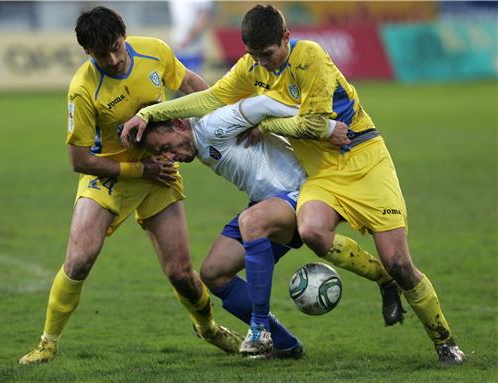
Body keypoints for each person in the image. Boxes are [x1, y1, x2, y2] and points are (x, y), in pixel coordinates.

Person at [121, 4, 465, 365]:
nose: (261, 63)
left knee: (398, 260)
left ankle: (443, 339)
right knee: (292, 240)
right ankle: (285, 337)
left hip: (361, 157)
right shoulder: (251, 67)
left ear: (286, 37)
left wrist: (272, 123)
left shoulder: (310, 57)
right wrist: (148, 113)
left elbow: (311, 123)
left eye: (267, 54)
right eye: (253, 55)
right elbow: (214, 97)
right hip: (319, 172)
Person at [18, 6, 242, 365]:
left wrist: (235, 117)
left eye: (116, 47)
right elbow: (79, 161)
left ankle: (209, 328)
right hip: (109, 174)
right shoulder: (83, 89)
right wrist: (140, 171)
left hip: (160, 173)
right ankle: (48, 343)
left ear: (124, 35)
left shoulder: (154, 51)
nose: (113, 58)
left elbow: (192, 86)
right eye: (101, 54)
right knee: (79, 260)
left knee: (181, 273)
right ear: (87, 53)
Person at [134, 94, 401, 358]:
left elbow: (262, 103)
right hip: (266, 202)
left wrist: (316, 126)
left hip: (303, 191)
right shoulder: (197, 135)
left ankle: (260, 329)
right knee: (215, 272)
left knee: (252, 222)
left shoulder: (213, 124)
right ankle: (284, 344)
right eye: (162, 153)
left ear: (179, 124)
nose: (170, 157)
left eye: (166, 147)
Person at [168, 0, 213, 76]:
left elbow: (204, 20)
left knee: (193, 80)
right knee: (177, 80)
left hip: (193, 47)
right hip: (178, 44)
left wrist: (188, 39)